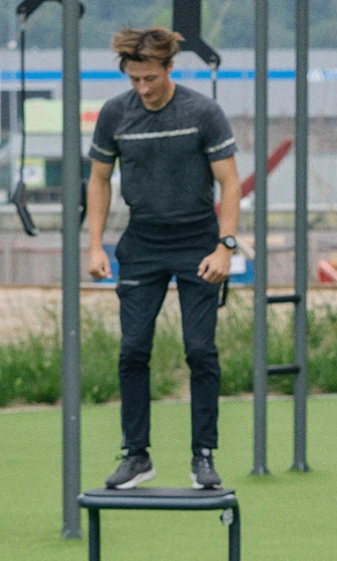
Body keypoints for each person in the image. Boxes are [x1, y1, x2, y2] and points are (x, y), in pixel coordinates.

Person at [85, 27, 242, 491]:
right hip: (142, 243)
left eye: (150, 78)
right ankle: (136, 456)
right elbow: (98, 181)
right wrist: (95, 245)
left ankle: (203, 457)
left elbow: (230, 183)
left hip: (198, 241)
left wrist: (225, 246)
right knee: (133, 349)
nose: (143, 88)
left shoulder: (203, 113)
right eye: (135, 79)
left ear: (169, 68)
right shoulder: (115, 113)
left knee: (200, 350)